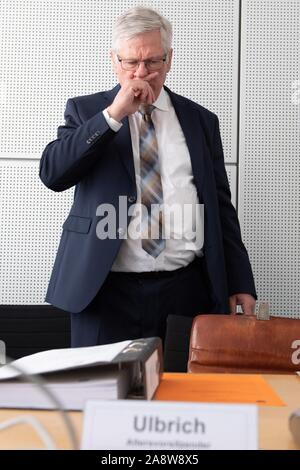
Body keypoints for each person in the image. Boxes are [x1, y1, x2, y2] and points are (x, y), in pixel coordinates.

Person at [39, 7, 257, 348]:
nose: (142, 73)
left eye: (153, 62)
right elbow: (53, 173)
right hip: (104, 293)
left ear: (169, 59)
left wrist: (239, 280)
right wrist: (113, 116)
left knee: (184, 397)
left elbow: (220, 208)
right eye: (130, 63)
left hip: (186, 291)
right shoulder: (85, 112)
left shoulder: (201, 121)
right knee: (102, 398)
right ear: (114, 60)